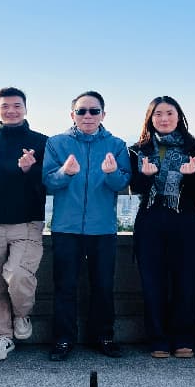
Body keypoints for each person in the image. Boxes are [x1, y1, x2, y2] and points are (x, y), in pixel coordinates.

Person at [42, 91, 131, 361]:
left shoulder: (117, 145)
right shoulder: (56, 143)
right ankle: (63, 339)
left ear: (103, 114)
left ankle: (104, 337)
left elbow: (122, 183)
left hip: (103, 228)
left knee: (103, 285)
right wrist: (65, 173)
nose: (88, 116)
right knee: (64, 286)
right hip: (66, 227)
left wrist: (111, 173)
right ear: (72, 115)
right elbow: (48, 181)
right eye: (81, 111)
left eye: (94, 111)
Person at [0, 87, 48, 361]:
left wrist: (29, 169)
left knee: (19, 275)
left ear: (25, 109)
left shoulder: (42, 142)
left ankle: (22, 314)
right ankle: (1, 337)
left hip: (27, 220)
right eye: (5, 106)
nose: (11, 111)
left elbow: (47, 180)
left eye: (16, 106)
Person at [129, 96, 195, 359]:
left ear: (179, 116)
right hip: (150, 220)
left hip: (184, 219)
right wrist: (145, 176)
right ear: (150, 118)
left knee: (186, 281)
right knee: (153, 282)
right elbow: (136, 188)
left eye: (169, 113)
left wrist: (191, 176)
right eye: (158, 114)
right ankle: (158, 339)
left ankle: (185, 338)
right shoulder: (138, 149)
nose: (164, 118)